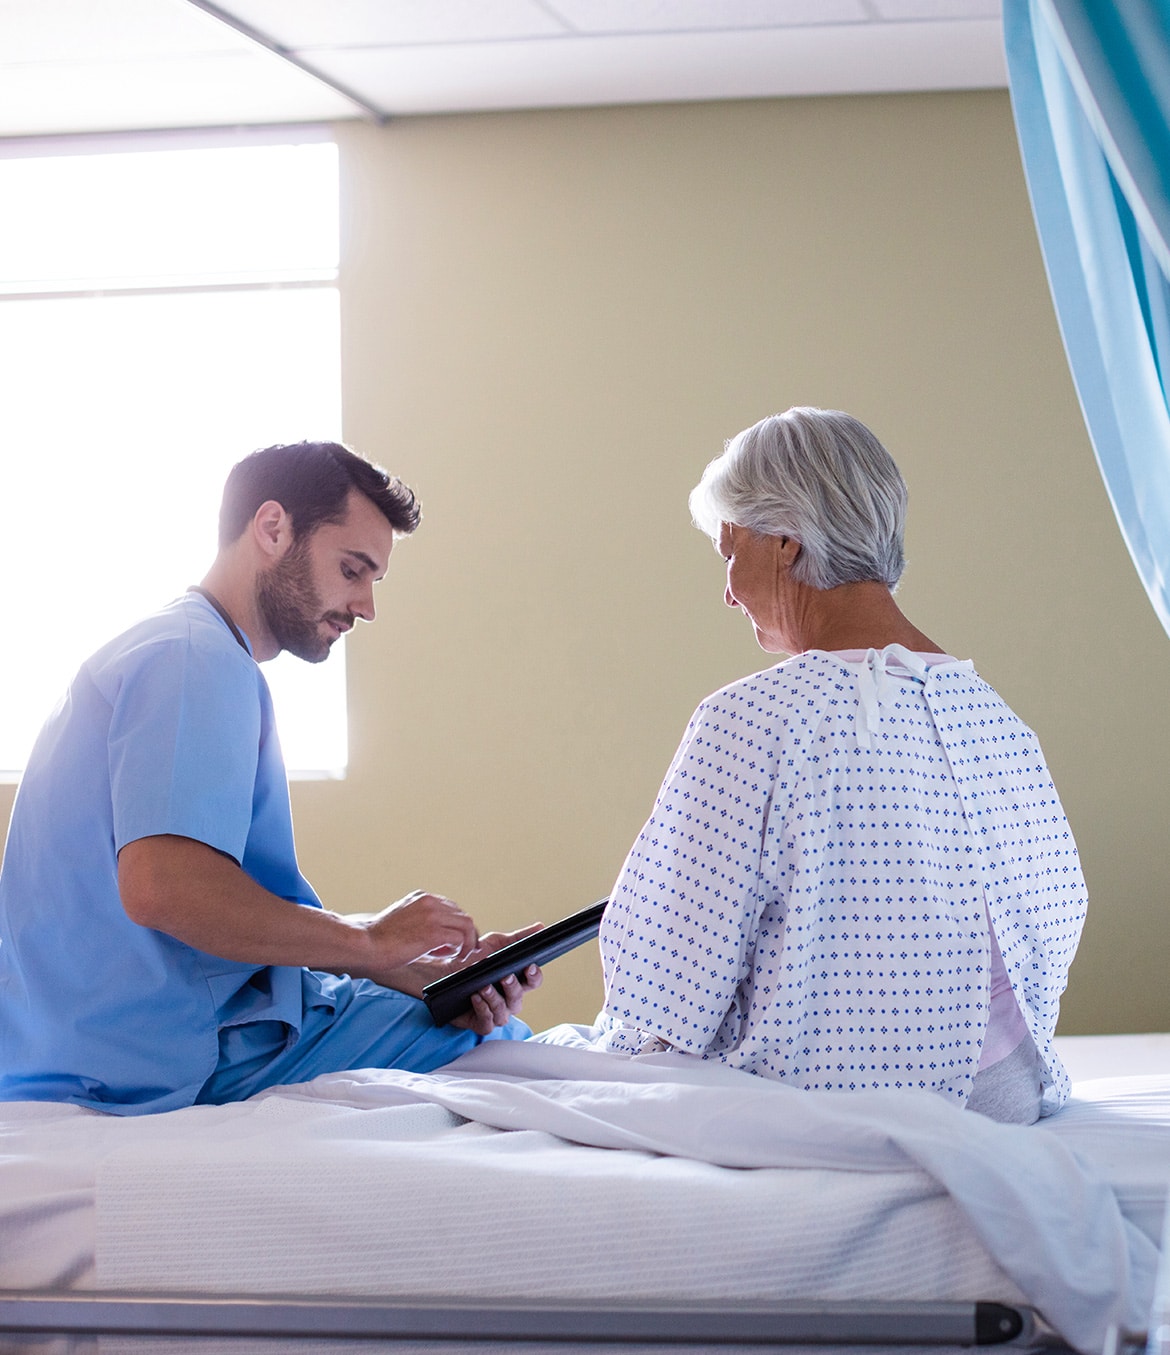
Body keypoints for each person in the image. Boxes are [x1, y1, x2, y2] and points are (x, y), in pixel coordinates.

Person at [0, 440, 539, 1115]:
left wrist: (401, 968)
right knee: (506, 1054)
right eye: (352, 569)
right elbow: (164, 886)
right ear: (273, 528)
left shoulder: (165, 647)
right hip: (163, 1058)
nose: (366, 605)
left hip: (75, 1044)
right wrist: (370, 941)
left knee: (451, 1016)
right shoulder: (197, 661)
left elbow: (195, 912)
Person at [594, 407, 1086, 1123]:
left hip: (837, 1111)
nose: (727, 590)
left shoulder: (751, 722)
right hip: (1007, 1095)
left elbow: (664, 991)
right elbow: (1058, 913)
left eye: (729, 552)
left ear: (784, 541)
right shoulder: (994, 717)